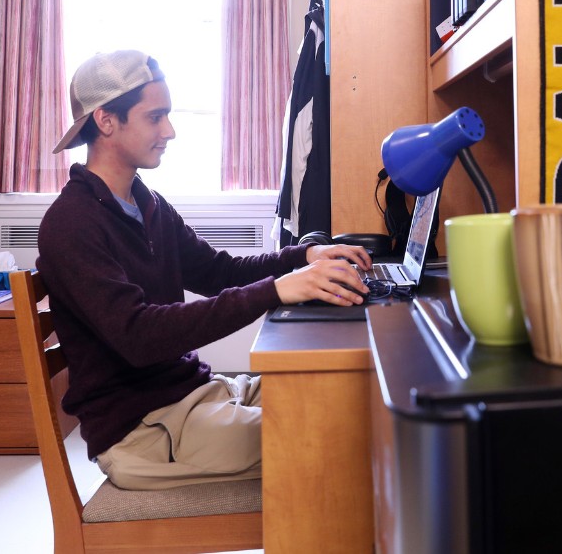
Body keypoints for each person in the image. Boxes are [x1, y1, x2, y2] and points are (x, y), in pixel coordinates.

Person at [36, 49, 371, 490]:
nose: (169, 131)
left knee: (347, 395)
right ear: (106, 121)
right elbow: (139, 337)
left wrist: (302, 258)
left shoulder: (146, 203)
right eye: (155, 117)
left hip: (194, 397)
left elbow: (217, 271)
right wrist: (277, 290)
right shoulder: (71, 224)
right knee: (335, 435)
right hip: (143, 431)